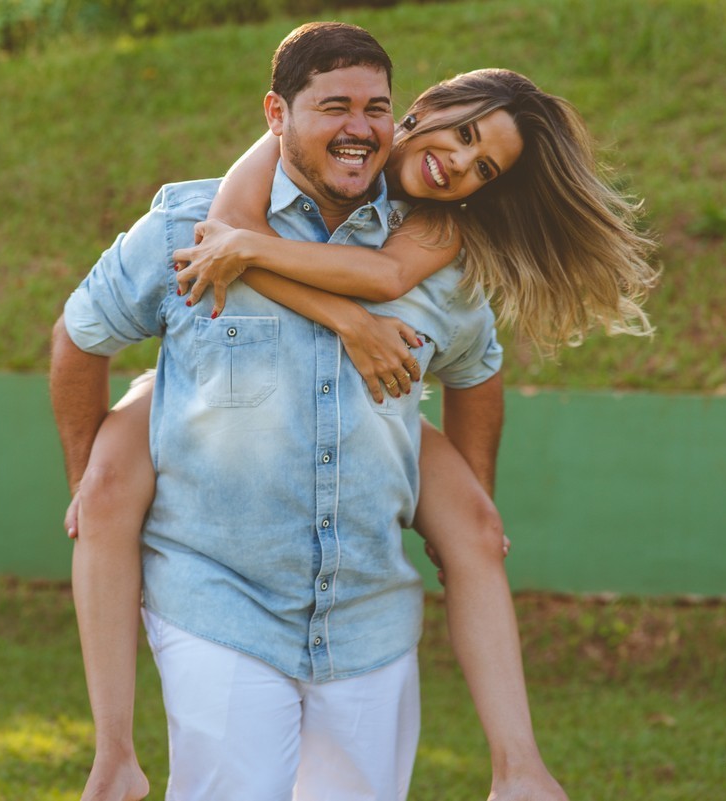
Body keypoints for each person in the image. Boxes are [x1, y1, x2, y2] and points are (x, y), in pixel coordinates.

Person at [52, 21, 587, 801]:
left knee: (475, 528)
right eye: (465, 135)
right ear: (278, 113)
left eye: (485, 166)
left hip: (367, 616)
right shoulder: (197, 212)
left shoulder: (443, 244)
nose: (462, 162)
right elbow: (220, 239)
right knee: (105, 486)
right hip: (218, 594)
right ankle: (113, 759)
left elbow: (472, 364)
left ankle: (520, 766)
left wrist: (468, 499)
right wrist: (350, 324)